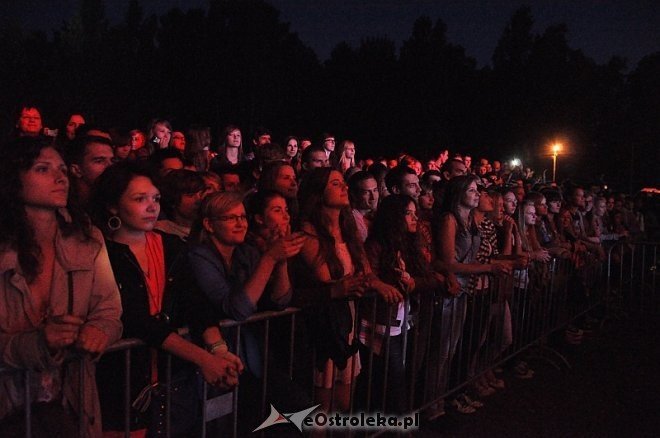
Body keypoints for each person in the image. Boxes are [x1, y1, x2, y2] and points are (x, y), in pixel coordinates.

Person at [89, 162, 242, 436]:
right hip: (123, 380)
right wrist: (202, 358)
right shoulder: (101, 252)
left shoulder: (170, 245)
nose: (152, 206)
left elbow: (194, 300)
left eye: (156, 199)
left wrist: (218, 349)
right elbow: (135, 319)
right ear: (113, 206)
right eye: (140, 199)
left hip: (173, 377)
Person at [0, 137, 122, 437]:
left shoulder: (87, 239)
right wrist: (36, 343)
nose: (59, 178)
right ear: (13, 180)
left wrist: (101, 330)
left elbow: (109, 308)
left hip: (70, 402)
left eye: (63, 170)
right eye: (42, 169)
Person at [294, 168, 400, 412]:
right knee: (323, 405)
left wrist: (378, 284)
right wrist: (345, 286)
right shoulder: (308, 231)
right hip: (324, 326)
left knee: (343, 401)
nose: (343, 187)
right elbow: (325, 279)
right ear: (318, 193)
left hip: (346, 322)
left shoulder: (347, 227)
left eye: (343, 183)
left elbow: (364, 271)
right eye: (335, 184)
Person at [358, 194, 436, 414]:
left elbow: (427, 276)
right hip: (381, 324)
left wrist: (412, 282)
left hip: (403, 322)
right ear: (394, 217)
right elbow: (368, 276)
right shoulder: (377, 245)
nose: (414, 218)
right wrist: (385, 284)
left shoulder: (410, 245)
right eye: (408, 213)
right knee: (390, 381)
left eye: (415, 213)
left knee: (396, 378)